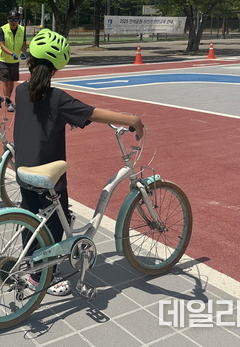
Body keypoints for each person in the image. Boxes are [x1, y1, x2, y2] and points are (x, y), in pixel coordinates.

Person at [14, 29, 144, 295]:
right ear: (57, 68)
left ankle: (31, 263)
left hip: (23, 168)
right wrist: (133, 120)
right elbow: (92, 113)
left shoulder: (20, 91)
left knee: (32, 216)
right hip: (48, 174)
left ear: (30, 61)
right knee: (52, 223)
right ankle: (40, 276)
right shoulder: (57, 98)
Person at [0, 9, 27, 112]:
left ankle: (8, 99)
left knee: (12, 81)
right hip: (3, 59)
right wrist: (11, 53)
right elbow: (2, 45)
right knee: (6, 81)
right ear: (8, 19)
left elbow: (24, 44)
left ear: (18, 20)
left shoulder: (22, 29)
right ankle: (8, 101)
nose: (13, 22)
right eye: (11, 19)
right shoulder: (2, 29)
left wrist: (23, 52)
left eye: (16, 19)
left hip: (15, 60)